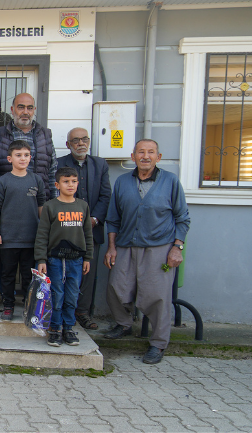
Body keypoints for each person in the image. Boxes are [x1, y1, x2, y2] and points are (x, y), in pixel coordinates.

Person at [103, 139, 190, 365]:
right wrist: (111, 247)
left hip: (159, 247)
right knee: (116, 286)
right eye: (141, 152)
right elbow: (113, 219)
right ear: (133, 157)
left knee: (157, 295)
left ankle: (158, 343)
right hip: (125, 245)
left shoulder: (170, 181)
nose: (145, 156)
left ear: (158, 157)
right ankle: (124, 324)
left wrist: (177, 248)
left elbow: (182, 218)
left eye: (151, 152)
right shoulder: (122, 182)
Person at [57, 128, 111, 331]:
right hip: (64, 229)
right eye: (76, 140)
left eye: (84, 139)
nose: (81, 143)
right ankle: (62, 312)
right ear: (68, 144)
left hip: (91, 230)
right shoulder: (60, 164)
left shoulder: (100, 164)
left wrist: (94, 220)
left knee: (87, 273)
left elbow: (106, 196)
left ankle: (82, 312)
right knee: (63, 271)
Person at [35, 167, 94, 347]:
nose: (70, 185)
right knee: (56, 294)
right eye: (66, 181)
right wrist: (41, 259)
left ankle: (68, 328)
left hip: (76, 260)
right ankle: (55, 329)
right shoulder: (51, 206)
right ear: (57, 184)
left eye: (74, 181)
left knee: (72, 294)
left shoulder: (82, 206)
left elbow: (87, 233)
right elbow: (42, 234)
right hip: (55, 260)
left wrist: (88, 257)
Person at [0, 139, 46, 321]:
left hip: (31, 238)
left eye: (26, 155)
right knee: (7, 274)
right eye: (18, 155)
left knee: (29, 276)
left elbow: (41, 207)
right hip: (9, 238)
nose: (23, 158)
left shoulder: (36, 180)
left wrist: (44, 233)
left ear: (31, 157)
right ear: (9, 158)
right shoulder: (3, 181)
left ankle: (29, 306)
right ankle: (8, 305)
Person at [0, 92, 58, 200]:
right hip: (8, 200)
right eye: (21, 107)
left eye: (29, 108)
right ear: (12, 109)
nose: (25, 112)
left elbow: (52, 172)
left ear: (34, 110)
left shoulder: (45, 135)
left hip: (39, 201)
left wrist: (54, 203)